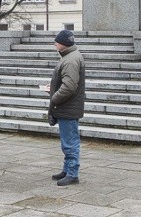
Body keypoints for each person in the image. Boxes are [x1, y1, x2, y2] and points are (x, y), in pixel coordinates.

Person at [47, 29, 85, 186]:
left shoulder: (70, 60)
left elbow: (69, 87)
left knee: (70, 142)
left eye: (57, 41)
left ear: (64, 44)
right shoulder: (69, 56)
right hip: (67, 106)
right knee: (67, 141)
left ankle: (72, 173)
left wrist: (54, 97)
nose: (55, 43)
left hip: (67, 107)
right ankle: (67, 169)